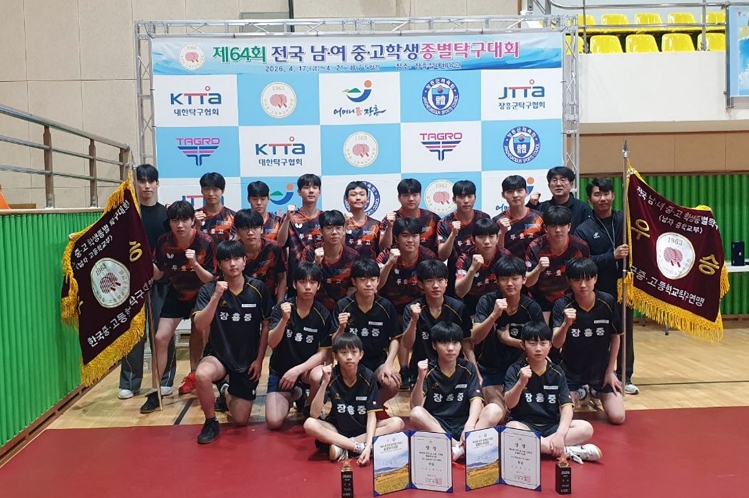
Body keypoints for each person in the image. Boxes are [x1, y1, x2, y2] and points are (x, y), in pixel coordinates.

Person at [192, 240, 273, 444]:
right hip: (218, 356)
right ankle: (210, 421)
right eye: (227, 260)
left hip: (246, 360)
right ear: (219, 264)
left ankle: (224, 389)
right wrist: (216, 297)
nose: (233, 264)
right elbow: (200, 325)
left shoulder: (258, 289)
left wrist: (259, 360)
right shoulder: (209, 290)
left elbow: (266, 326)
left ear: (245, 261)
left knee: (241, 420)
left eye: (237, 258)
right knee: (202, 375)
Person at [141, 201, 216, 412]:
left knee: (202, 336)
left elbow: (210, 278)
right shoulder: (164, 242)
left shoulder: (205, 242)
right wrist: (146, 264)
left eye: (184, 220)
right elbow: (158, 274)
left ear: (193, 221)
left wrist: (195, 264)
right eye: (175, 220)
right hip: (176, 293)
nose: (180, 225)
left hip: (202, 294)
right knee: (160, 338)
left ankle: (201, 380)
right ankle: (156, 391)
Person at [504, 321, 602, 464]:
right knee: (511, 428)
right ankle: (567, 451)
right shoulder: (514, 370)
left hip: (552, 426)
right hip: (525, 425)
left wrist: (560, 435)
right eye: (532, 343)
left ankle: (538, 447)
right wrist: (521, 383)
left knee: (586, 428)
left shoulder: (557, 372)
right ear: (523, 345)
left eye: (543, 343)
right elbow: (509, 404)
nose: (538, 349)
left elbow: (567, 407)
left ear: (550, 345)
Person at [573, 178, 637, 395]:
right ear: (589, 199)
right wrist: (612, 256)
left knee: (624, 332)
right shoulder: (583, 229)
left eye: (607, 193)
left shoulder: (626, 221)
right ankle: (592, 377)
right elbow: (584, 262)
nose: (603, 198)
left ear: (614, 195)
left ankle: (625, 376)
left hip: (625, 288)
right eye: (597, 194)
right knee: (597, 334)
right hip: (597, 291)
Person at [118, 164, 177, 400]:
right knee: (133, 333)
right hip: (132, 284)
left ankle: (165, 380)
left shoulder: (167, 215)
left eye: (150, 181)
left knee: (162, 333)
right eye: (141, 181)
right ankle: (129, 382)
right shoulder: (128, 215)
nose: (146, 186)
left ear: (157, 184)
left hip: (161, 282)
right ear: (135, 184)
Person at [303, 334, 405, 464]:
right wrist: (324, 383)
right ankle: (356, 448)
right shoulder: (331, 376)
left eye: (354, 352)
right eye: (344, 353)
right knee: (309, 424)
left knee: (397, 423)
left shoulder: (368, 376)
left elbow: (371, 416)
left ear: (361, 355)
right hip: (337, 429)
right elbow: (314, 414)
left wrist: (368, 444)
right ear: (335, 356)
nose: (349, 357)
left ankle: (342, 446)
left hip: (363, 430)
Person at [410, 322, 502, 461]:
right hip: (438, 426)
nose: (450, 348)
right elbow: (416, 405)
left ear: (460, 345)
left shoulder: (468, 368)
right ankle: (460, 446)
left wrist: (470, 425)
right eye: (444, 343)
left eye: (455, 343)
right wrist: (420, 378)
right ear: (434, 345)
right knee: (416, 413)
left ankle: (459, 449)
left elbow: (476, 399)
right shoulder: (428, 369)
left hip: (464, 424)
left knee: (495, 409)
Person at [551, 258, 626, 425]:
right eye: (577, 280)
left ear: (595, 279)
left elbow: (615, 336)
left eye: (588, 279)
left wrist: (610, 372)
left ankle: (595, 392)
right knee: (562, 416)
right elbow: (556, 344)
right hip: (570, 372)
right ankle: (581, 392)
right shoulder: (562, 305)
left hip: (601, 371)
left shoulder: (607, 302)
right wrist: (566, 324)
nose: (583, 285)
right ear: (569, 281)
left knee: (618, 417)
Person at [472, 256, 544, 408]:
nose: (510, 283)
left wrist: (510, 341)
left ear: (524, 280)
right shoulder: (487, 302)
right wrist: (494, 315)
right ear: (497, 281)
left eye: (515, 278)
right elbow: (475, 338)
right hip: (490, 368)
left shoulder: (531, 307)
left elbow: (542, 344)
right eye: (504, 279)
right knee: (497, 411)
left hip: (521, 368)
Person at [266, 262, 331, 429]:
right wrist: (284, 320)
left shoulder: (323, 314)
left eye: (312, 282)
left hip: (306, 371)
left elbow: (323, 354)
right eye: (303, 282)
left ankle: (308, 405)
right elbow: (271, 342)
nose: (308, 287)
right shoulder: (281, 308)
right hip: (281, 371)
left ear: (318, 286)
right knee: (274, 422)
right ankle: (296, 394)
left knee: (319, 375)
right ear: (295, 284)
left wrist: (297, 370)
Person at [376, 217, 438, 389]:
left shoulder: (427, 256)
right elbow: (377, 284)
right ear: (396, 238)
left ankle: (414, 368)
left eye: (415, 235)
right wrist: (389, 263)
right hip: (390, 306)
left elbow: (434, 285)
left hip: (419, 305)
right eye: (405, 236)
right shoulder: (386, 254)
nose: (410, 240)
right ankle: (403, 369)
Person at [333, 259, 402, 404]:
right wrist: (341, 328)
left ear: (378, 281)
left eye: (372, 279)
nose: (369, 284)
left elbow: (395, 338)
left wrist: (389, 364)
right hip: (350, 362)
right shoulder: (343, 305)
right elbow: (334, 342)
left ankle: (372, 407)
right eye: (363, 280)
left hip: (377, 361)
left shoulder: (386, 306)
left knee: (393, 382)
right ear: (354, 281)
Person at [401, 260, 476, 384]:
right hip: (422, 370)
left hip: (454, 370)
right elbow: (407, 344)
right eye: (430, 281)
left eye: (440, 280)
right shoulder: (412, 309)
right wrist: (414, 320)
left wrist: (476, 373)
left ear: (446, 282)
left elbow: (466, 342)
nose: (436, 285)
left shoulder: (458, 308)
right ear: (420, 284)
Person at [525, 205, 590, 321]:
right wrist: (538, 268)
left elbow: (586, 278)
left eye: (562, 225)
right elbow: (528, 283)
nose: (558, 230)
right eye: (553, 226)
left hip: (571, 301)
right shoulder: (535, 247)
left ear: (569, 227)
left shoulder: (580, 247)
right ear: (545, 228)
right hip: (541, 301)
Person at [436, 180, 490, 294]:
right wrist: (452, 235)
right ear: (454, 199)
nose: (466, 201)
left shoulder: (484, 218)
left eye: (469, 196)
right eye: (461, 197)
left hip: (483, 274)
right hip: (455, 275)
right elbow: (442, 256)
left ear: (475, 198)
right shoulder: (445, 222)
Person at [303, 210, 360, 311]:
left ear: (344, 230)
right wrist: (316, 263)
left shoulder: (352, 256)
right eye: (329, 228)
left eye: (338, 228)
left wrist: (343, 309)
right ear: (321, 231)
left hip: (343, 308)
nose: (334, 232)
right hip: (314, 308)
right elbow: (303, 283)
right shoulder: (310, 252)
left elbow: (353, 287)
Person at [454, 218, 512, 315]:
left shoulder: (505, 257)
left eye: (491, 236)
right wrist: (472, 269)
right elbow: (460, 292)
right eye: (481, 237)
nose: (487, 241)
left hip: (499, 303)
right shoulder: (465, 259)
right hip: (471, 305)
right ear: (473, 240)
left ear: (497, 238)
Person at [234, 209, 287, 304]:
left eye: (255, 228)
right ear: (237, 232)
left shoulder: (273, 248)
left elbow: (282, 277)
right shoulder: (233, 252)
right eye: (245, 228)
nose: (250, 233)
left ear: (262, 229)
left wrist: (279, 304)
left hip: (269, 301)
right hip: (239, 301)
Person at [379, 178, 441, 254]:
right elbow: (383, 249)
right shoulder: (390, 219)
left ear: (420, 196)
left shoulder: (432, 218)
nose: (411, 199)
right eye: (406, 195)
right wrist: (389, 227)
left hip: (429, 261)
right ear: (399, 198)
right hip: (397, 261)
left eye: (415, 195)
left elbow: (441, 252)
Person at [286, 174, 323, 296]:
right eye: (306, 187)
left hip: (320, 279)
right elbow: (280, 243)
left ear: (319, 192)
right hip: (297, 278)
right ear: (299, 192)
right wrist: (287, 220)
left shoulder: (325, 218)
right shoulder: (291, 218)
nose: (311, 191)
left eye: (315, 187)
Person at [492, 175, 544, 259]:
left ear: (526, 192)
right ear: (503, 195)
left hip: (537, 265)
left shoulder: (540, 217)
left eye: (519, 191)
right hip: (509, 266)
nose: (515, 195)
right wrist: (501, 232)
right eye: (510, 191)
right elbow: (495, 252)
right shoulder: (497, 221)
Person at [527, 166, 592, 231]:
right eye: (554, 180)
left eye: (563, 180)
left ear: (571, 184)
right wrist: (531, 204)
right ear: (549, 185)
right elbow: (527, 222)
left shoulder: (583, 209)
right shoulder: (542, 208)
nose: (558, 184)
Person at [195, 172, 236, 244]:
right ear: (201, 190)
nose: (211, 194)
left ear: (223, 191)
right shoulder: (193, 217)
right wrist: (197, 226)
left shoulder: (233, 216)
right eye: (207, 189)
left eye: (215, 189)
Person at [343, 181, 380, 260]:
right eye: (353, 195)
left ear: (367, 199)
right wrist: (344, 226)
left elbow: (383, 248)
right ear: (346, 199)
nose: (358, 198)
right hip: (346, 267)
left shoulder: (376, 224)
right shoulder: (340, 224)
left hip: (370, 267)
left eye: (362, 194)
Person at [246, 180, 289, 245]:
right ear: (248, 199)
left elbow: (282, 245)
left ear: (268, 199)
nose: (259, 203)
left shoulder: (278, 221)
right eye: (255, 199)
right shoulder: (243, 221)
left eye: (262, 199)